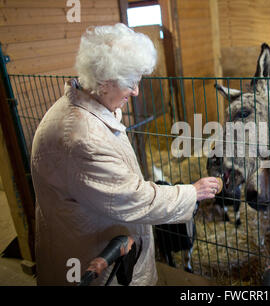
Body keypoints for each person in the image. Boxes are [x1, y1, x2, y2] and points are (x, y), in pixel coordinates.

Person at [31, 23, 220, 286]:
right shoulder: (82, 138)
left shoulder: (91, 106)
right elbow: (134, 199)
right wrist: (191, 193)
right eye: (131, 83)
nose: (136, 92)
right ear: (104, 82)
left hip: (105, 242)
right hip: (98, 264)